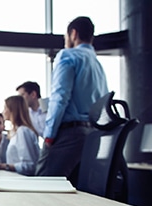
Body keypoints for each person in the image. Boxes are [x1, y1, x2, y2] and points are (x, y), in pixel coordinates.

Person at [35, 16, 109, 185]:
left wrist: (49, 136)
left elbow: (59, 97)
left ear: (73, 34)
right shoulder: (98, 65)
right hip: (92, 137)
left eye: (65, 37)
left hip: (70, 134)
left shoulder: (68, 56)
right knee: (75, 191)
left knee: (41, 187)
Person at [2, 95, 40, 175]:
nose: (3, 112)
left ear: (13, 110)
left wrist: (2, 166)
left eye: (5, 108)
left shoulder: (23, 132)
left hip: (23, 183)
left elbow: (29, 166)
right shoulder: (17, 132)